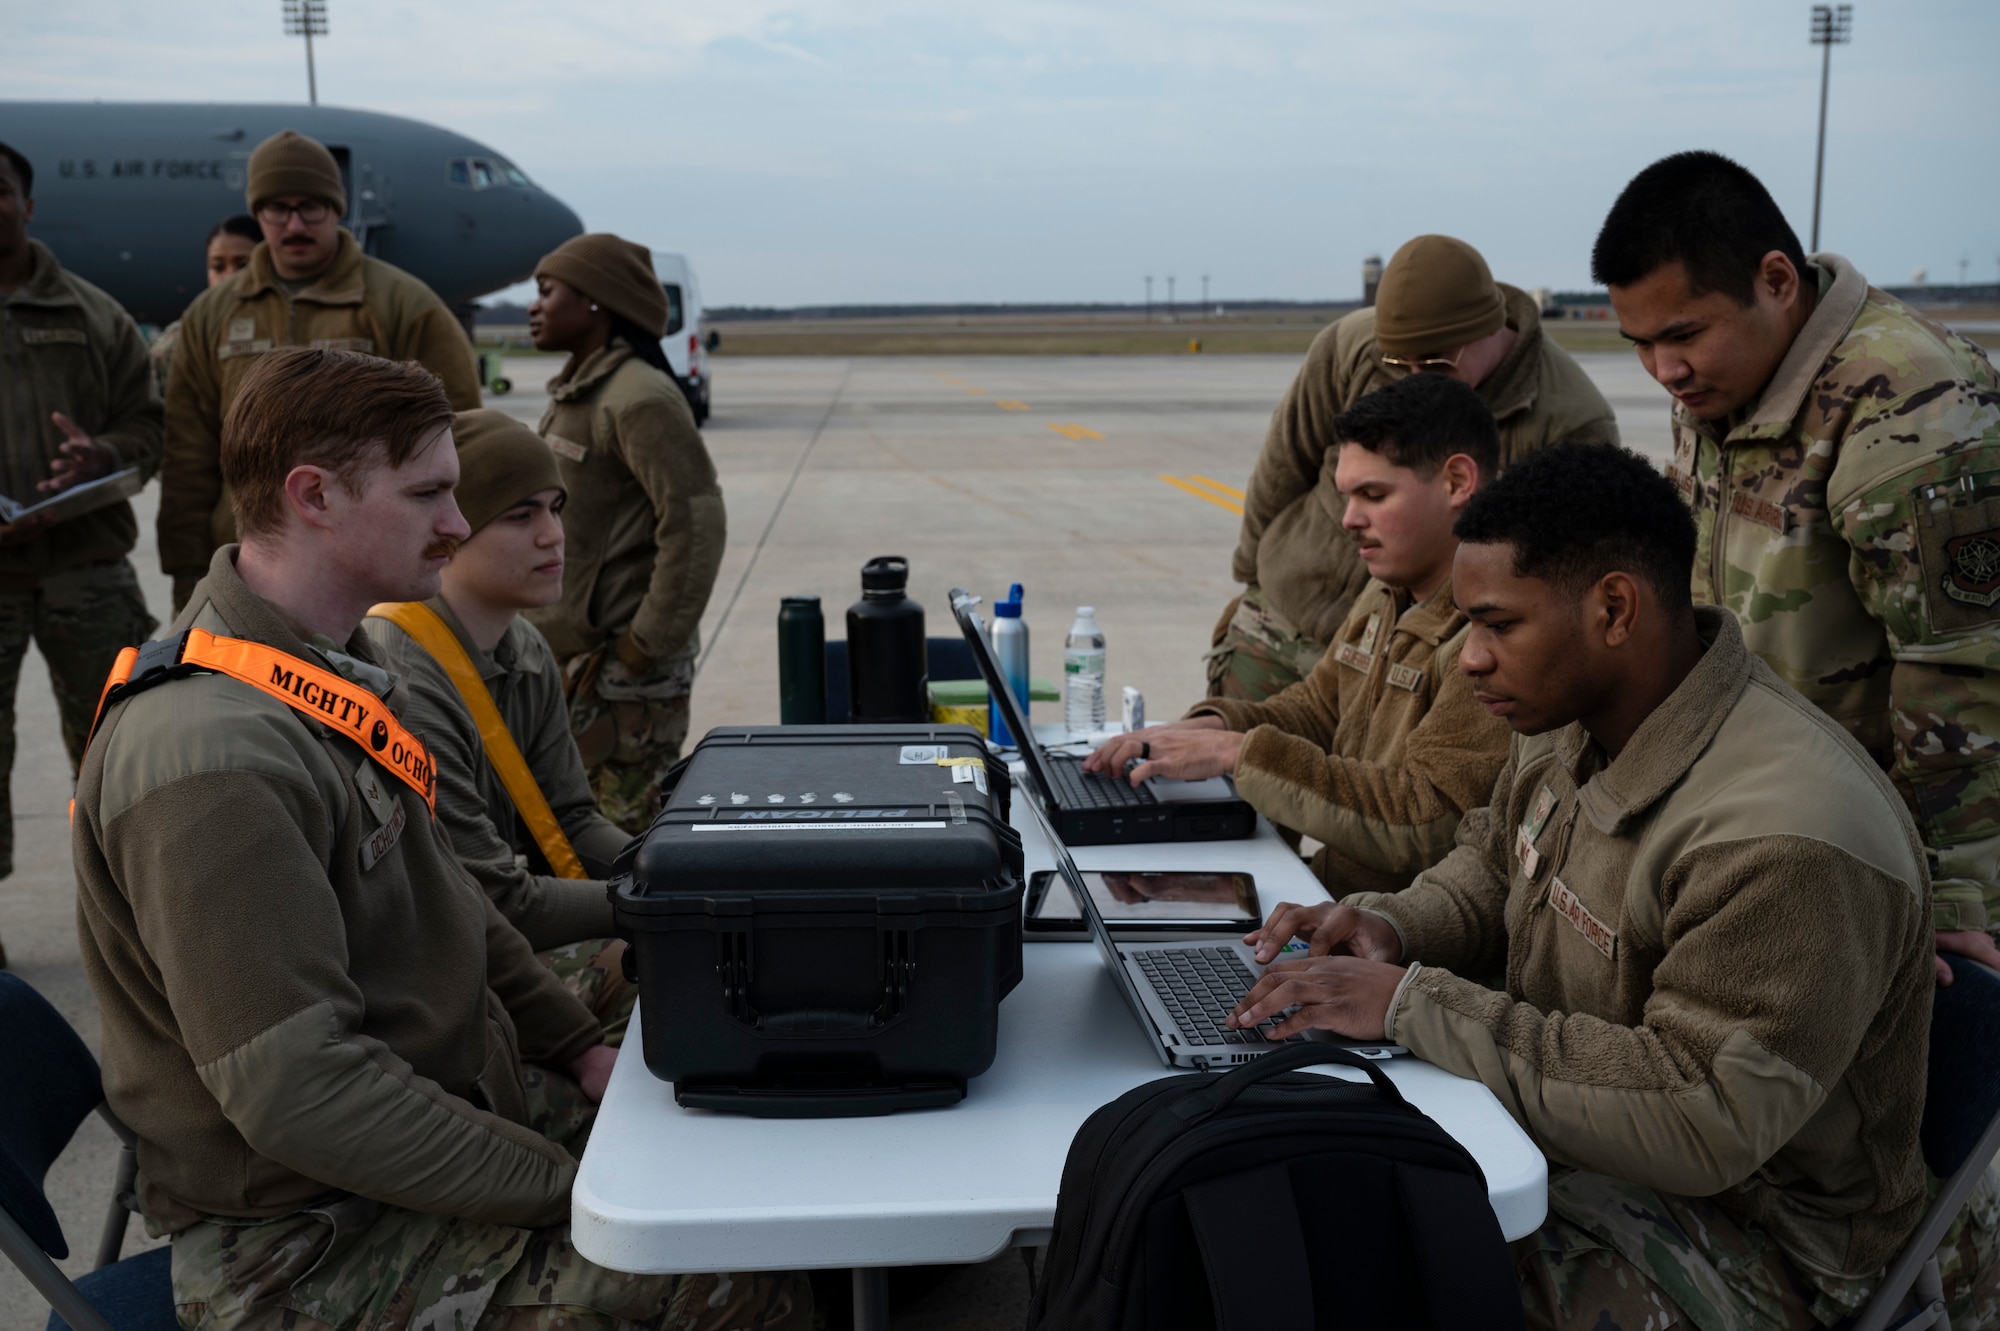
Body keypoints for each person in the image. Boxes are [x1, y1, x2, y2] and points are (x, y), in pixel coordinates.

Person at [72, 347, 807, 1331]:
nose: (458, 526)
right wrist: (570, 1188)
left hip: (450, 1092)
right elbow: (301, 1092)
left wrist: (578, 1047)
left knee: (740, 1142)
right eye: (427, 495)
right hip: (303, 1238)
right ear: (314, 495)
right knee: (726, 1278)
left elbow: (449, 898)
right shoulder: (211, 756)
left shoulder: (328, 664)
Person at [1226, 441, 1999, 1329]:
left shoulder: (1787, 832)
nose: (1470, 658)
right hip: (1600, 1149)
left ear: (1615, 608)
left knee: (1400, 1272)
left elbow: (1699, 1113)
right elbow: (1493, 861)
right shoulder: (1572, 713)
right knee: (1291, 1185)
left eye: (1497, 624)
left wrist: (1410, 1004)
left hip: (1780, 1241)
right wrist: (1391, 930)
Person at [1593, 150, 2000, 977]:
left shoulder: (1914, 404)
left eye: (1683, 334)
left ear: (1777, 280)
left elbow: (1966, 673)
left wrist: (1951, 898)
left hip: (1871, 864)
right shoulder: (1723, 381)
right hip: (1763, 831)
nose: (1665, 372)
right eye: (1639, 344)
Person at [1085, 374, 1511, 896]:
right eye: (1347, 496)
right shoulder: (1386, 592)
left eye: (1373, 495)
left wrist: (1240, 754)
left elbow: (1426, 820)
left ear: (1457, 482)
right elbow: (1318, 709)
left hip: (1402, 939)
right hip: (1336, 899)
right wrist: (1207, 728)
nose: (1349, 519)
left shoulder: (1492, 630)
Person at [1211, 233, 1618, 704]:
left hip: (1406, 672)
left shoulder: (1573, 421)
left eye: (1435, 361)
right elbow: (1281, 470)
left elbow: (1559, 588)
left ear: (1489, 328)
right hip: (1277, 627)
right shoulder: (1350, 345)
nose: (1415, 378)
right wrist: (1252, 586)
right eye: (1397, 362)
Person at [364, 409, 637, 1040]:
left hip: (501, 934)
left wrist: (673, 865)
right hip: (438, 975)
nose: (553, 536)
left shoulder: (525, 648)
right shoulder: (405, 670)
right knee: (671, 981)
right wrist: (662, 904)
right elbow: (492, 895)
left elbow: (570, 820)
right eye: (520, 516)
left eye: (555, 508)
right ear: (453, 529)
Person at [158, 128, 482, 613]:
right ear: (257, 213)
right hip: (249, 573)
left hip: (376, 578)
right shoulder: (213, 315)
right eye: (277, 209)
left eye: (311, 206)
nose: (294, 225)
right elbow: (187, 451)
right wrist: (186, 571)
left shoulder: (401, 304)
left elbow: (462, 436)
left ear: (336, 207)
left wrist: (446, 558)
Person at [0, 140, 161, 968]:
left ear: (27, 205)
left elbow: (151, 428)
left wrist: (101, 455)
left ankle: (133, 933)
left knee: (117, 752)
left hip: (85, 574)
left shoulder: (93, 316)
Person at [525, 233, 725, 833]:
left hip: (626, 672)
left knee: (626, 841)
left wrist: (647, 643)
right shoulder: (584, 392)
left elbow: (695, 522)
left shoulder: (638, 398)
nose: (533, 306)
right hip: (585, 662)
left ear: (595, 301)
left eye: (547, 291)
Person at [148, 214, 262, 394]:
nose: (229, 277)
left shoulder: (286, 322)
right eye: (218, 267)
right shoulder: (181, 341)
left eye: (243, 265)